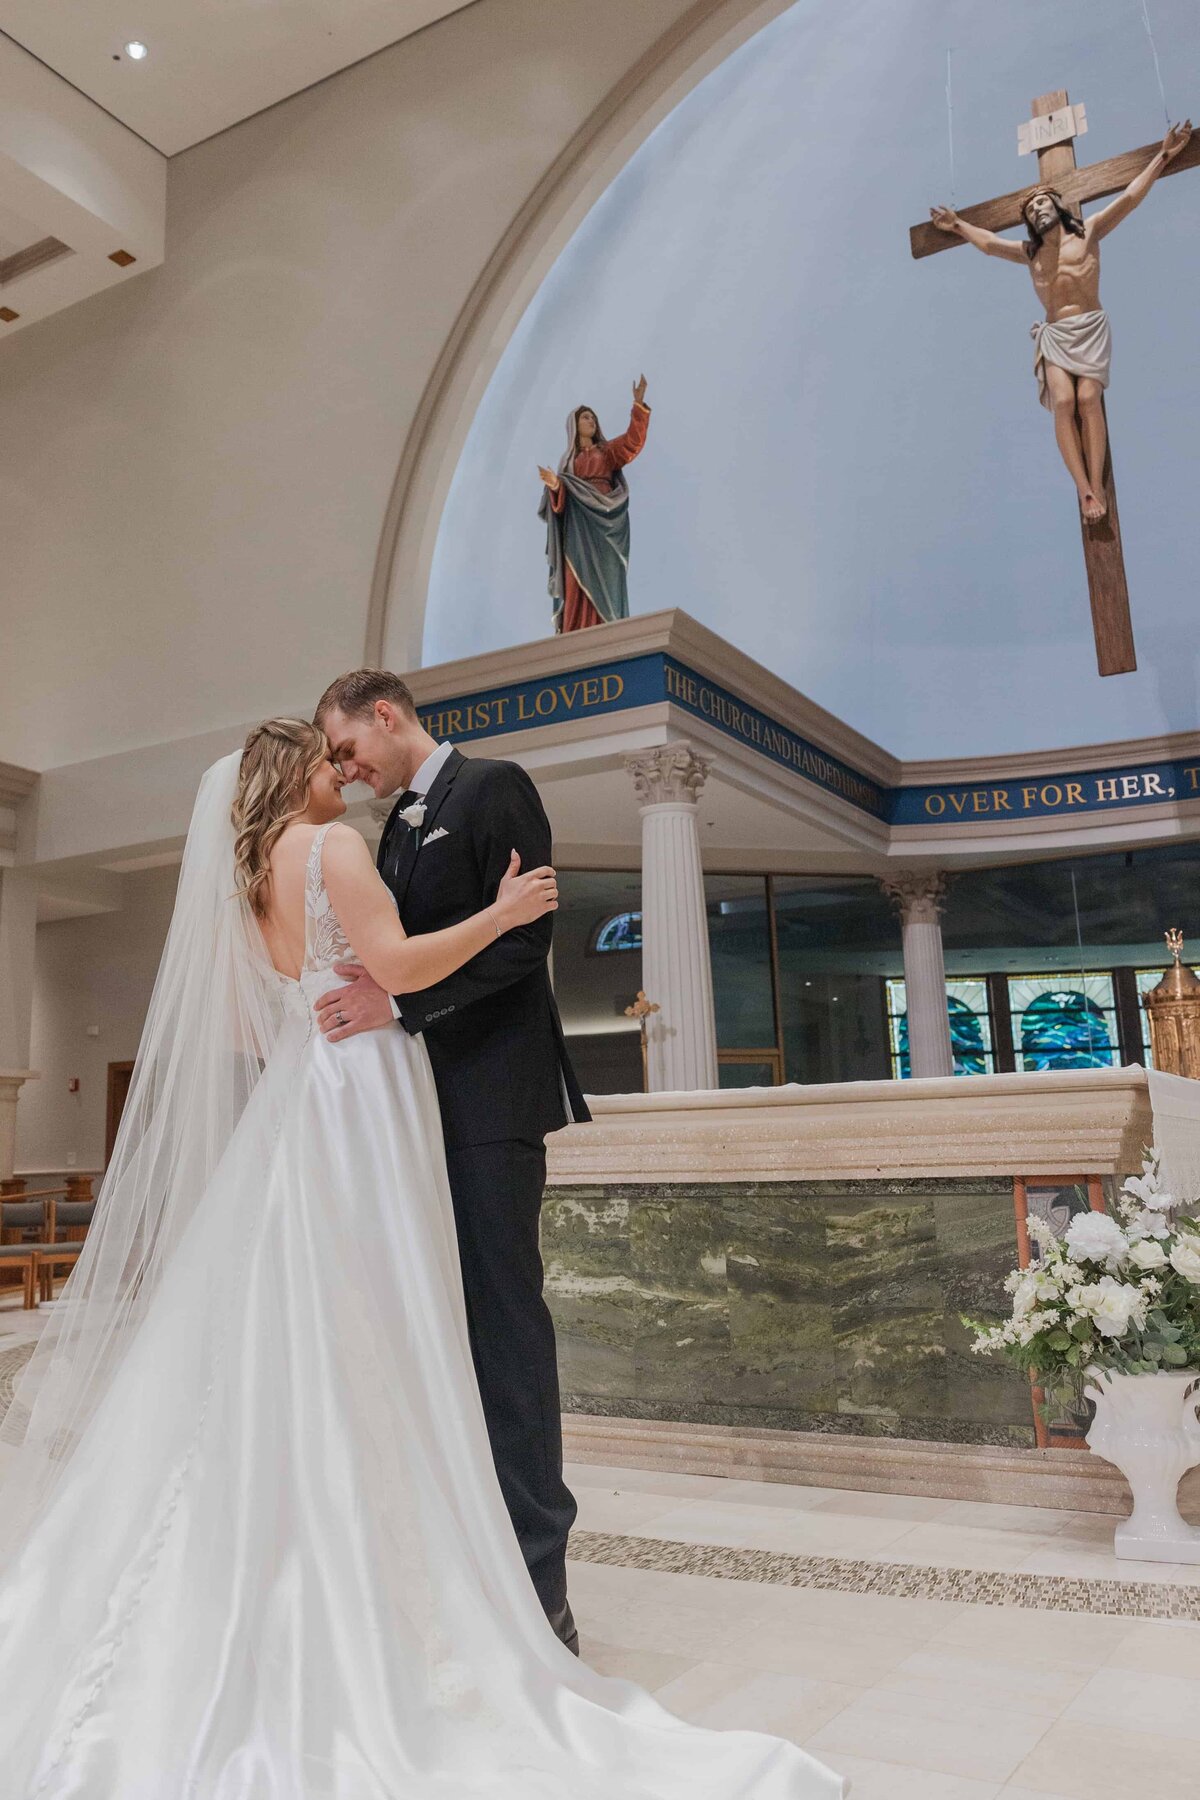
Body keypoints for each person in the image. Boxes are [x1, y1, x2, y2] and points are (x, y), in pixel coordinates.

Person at [0, 718, 845, 1799]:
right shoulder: (335, 848)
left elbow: (252, 1029)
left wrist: (322, 1019)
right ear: (290, 777)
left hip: (309, 1090)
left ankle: (300, 1558)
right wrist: (501, 911)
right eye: (324, 760)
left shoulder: (246, 877)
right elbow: (395, 965)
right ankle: (398, 1577)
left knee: (303, 1320)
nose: (339, 773)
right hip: (366, 1094)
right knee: (384, 1311)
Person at [314, 670, 586, 1651]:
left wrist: (401, 1006)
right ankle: (466, 1555)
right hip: (419, 1108)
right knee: (445, 1335)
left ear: (386, 713)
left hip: (491, 1104)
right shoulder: (390, 830)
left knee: (505, 1331)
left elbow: (527, 943)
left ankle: (542, 1582)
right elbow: (406, 947)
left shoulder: (495, 785)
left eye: (349, 749)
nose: (346, 772)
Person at [930, 119, 1192, 523]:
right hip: (1054, 335)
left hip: (1089, 327)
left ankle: (1098, 482)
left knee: (1088, 399)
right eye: (1031, 209)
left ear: (1058, 205)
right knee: (1064, 402)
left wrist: (1163, 155)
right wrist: (957, 225)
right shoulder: (1029, 254)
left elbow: (1129, 197)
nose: (1037, 209)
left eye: (1043, 203)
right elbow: (988, 244)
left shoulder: (1088, 233)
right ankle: (1085, 489)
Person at [538, 375, 650, 631]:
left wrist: (639, 407)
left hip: (606, 521)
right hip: (578, 524)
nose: (591, 420)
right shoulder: (568, 463)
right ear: (574, 426)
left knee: (609, 578)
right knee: (574, 578)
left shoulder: (606, 452)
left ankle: (608, 627)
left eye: (593, 418)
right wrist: (556, 485)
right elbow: (561, 502)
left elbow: (632, 443)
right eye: (585, 417)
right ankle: (575, 630)